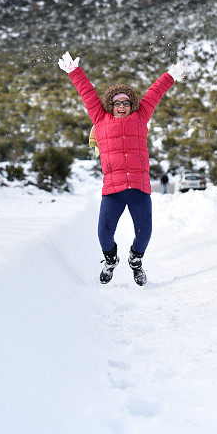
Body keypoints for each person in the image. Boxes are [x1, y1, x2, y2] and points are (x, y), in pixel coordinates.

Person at [58, 52, 185, 285]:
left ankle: (136, 261)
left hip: (138, 187)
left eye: (126, 103)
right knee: (104, 234)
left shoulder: (141, 117)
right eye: (117, 103)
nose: (122, 106)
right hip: (113, 189)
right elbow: (87, 93)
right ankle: (110, 260)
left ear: (132, 105)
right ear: (110, 105)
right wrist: (74, 72)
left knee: (144, 233)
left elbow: (154, 93)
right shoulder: (99, 118)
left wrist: (170, 76)